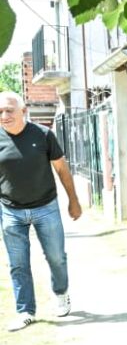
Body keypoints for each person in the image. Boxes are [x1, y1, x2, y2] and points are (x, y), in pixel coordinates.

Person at [0, 91, 81, 331]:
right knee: (18, 263)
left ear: (23, 111)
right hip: (11, 210)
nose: (4, 116)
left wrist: (73, 200)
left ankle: (61, 293)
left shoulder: (43, 135)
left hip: (46, 207)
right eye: (0, 112)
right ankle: (25, 310)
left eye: (9, 110)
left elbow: (62, 169)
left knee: (56, 257)